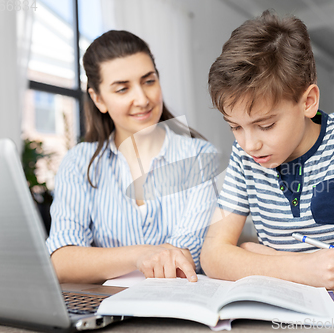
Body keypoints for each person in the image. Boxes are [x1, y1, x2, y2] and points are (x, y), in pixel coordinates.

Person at [201, 10, 334, 289]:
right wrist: (300, 268)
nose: (249, 144)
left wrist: (263, 260)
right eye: (235, 127)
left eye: (266, 125)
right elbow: (212, 256)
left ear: (308, 101)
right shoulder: (244, 157)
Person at [46, 30, 218, 284]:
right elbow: (61, 261)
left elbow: (180, 260)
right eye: (122, 89)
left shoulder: (200, 157)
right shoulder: (79, 163)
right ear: (98, 99)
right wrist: (140, 254)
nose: (142, 99)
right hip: (107, 308)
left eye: (149, 81)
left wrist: (104, 261)